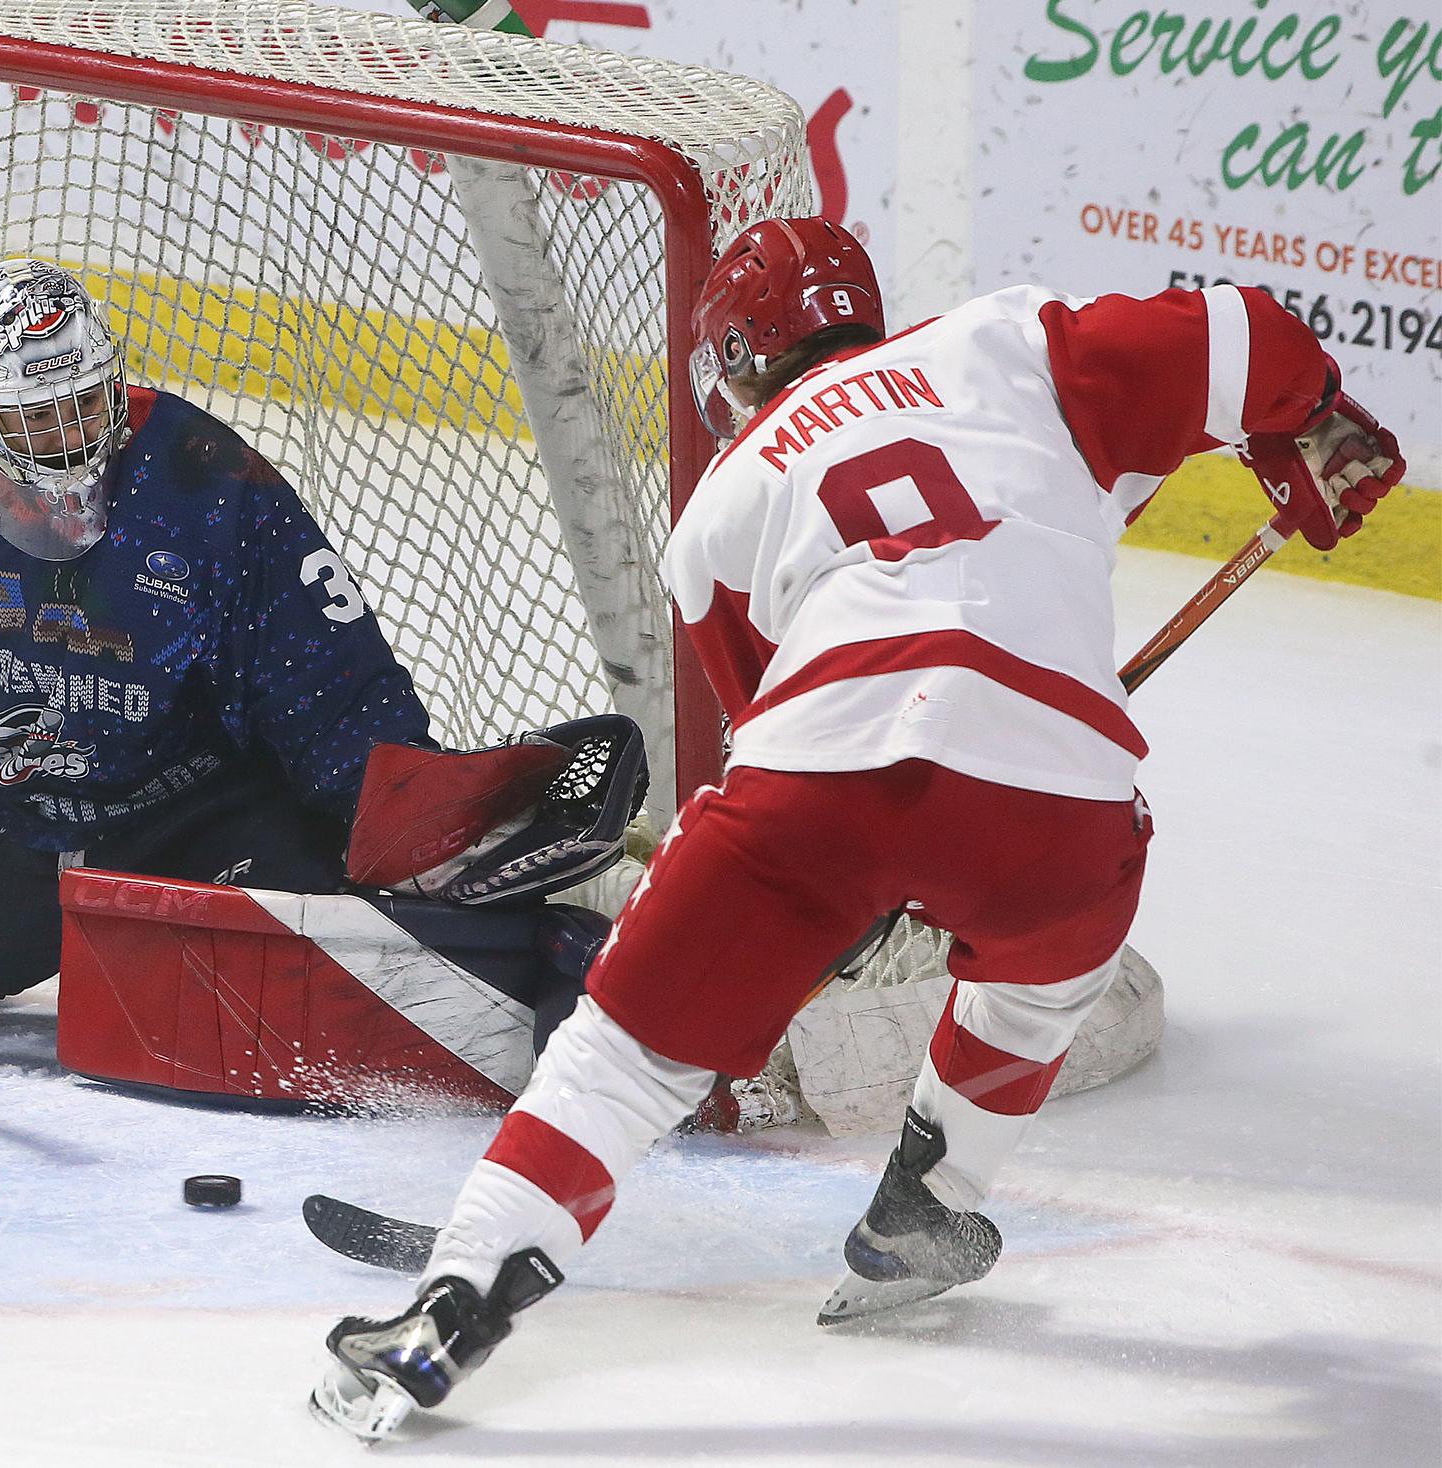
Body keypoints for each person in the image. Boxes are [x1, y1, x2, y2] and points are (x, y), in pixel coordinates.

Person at [309, 217, 1405, 1439]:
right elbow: (1251, 333)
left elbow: (788, 735)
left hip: (816, 781)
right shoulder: (1006, 343)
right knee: (1038, 986)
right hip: (1063, 800)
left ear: (729, 365)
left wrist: (856, 891)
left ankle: (449, 1307)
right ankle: (929, 1207)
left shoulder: (716, 512)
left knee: (621, 1055)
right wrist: (1308, 423)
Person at [0, 257, 427, 1002]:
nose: (69, 438)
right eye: (34, 416)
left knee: (298, 1001)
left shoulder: (210, 484)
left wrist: (410, 838)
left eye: (87, 404)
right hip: (14, 811)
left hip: (201, 814)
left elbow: (334, 695)